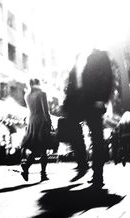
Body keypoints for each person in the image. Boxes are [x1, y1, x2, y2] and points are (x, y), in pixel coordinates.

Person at [63, 48, 113, 188]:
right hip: (77, 102)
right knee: (71, 129)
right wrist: (67, 101)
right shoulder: (77, 56)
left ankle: (98, 174)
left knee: (97, 137)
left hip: (93, 100)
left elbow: (107, 76)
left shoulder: (100, 55)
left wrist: (102, 98)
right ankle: (83, 162)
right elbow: (72, 81)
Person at [20, 78, 51, 181]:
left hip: (32, 121)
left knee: (37, 147)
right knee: (43, 148)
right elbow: (45, 110)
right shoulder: (42, 94)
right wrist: (49, 122)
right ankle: (42, 173)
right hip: (41, 121)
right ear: (38, 84)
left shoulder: (27, 95)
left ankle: (28, 167)